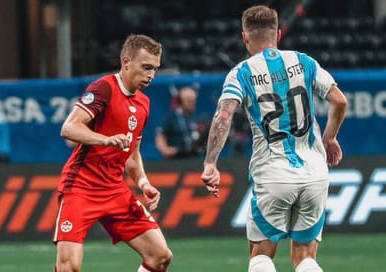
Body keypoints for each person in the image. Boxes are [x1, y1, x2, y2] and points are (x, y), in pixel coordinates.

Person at [200, 5, 348, 272]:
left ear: (245, 37)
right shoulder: (304, 62)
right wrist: (330, 138)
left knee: (261, 256)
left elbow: (223, 116)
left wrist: (211, 163)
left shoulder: (241, 73)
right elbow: (340, 101)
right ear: (278, 34)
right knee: (306, 259)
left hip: (273, 173)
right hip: (314, 172)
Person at [53, 34, 172, 272]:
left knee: (160, 256)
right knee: (69, 267)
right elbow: (69, 127)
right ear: (126, 61)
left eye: (155, 69)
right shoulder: (104, 88)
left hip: (114, 189)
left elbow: (132, 153)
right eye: (146, 67)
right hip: (81, 187)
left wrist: (143, 182)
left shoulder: (143, 104)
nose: (151, 75)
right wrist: (105, 140)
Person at [155, 86, 205, 159]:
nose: (192, 103)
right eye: (189, 100)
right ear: (180, 101)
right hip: (175, 159)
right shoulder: (171, 118)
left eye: (193, 100)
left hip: (193, 157)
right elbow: (160, 135)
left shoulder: (196, 118)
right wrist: (165, 150)